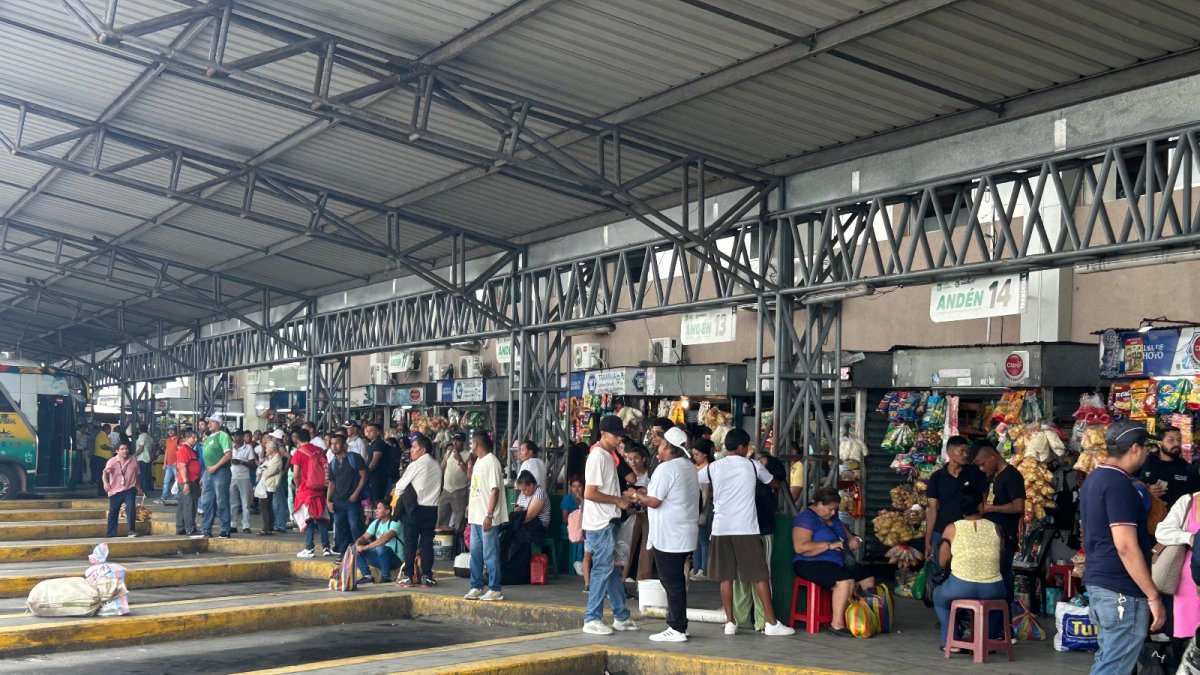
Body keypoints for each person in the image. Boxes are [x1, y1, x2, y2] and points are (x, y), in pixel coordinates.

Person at [1081, 420, 1165, 674]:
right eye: (1147, 447)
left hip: (1102, 585)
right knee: (1114, 667)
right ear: (1135, 448)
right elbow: (1126, 546)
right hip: (1121, 590)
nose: (1149, 453)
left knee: (1109, 660)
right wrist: (1153, 595)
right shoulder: (1119, 485)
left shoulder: (1094, 479)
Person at [699, 427, 794, 636]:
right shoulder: (752, 466)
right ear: (742, 447)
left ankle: (730, 622)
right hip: (746, 529)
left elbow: (696, 480)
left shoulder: (713, 467)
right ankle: (771, 623)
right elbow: (774, 483)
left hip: (720, 529)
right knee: (760, 576)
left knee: (726, 578)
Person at [633, 426, 699, 643]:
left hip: (670, 535)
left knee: (672, 582)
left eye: (661, 445)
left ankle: (677, 627)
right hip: (684, 533)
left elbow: (654, 501)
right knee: (676, 580)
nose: (658, 448)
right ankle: (680, 625)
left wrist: (634, 495)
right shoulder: (688, 467)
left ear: (670, 448)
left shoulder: (666, 468)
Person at [792, 486, 875, 637]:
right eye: (830, 509)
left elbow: (849, 536)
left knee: (867, 577)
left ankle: (864, 617)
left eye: (835, 509)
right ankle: (837, 624)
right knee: (845, 581)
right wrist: (828, 546)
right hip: (809, 562)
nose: (833, 513)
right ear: (819, 504)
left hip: (837, 561)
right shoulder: (805, 519)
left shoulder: (834, 519)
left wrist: (854, 540)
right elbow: (800, 547)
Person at [581, 415, 638, 636]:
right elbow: (590, 493)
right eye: (615, 435)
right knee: (603, 569)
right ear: (603, 434)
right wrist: (617, 501)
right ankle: (592, 618)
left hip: (608, 520)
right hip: (601, 522)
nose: (619, 439)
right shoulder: (598, 457)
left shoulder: (608, 455)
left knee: (613, 570)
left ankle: (621, 616)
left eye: (620, 435)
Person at [974, 443, 1025, 604]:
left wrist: (991, 508)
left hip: (1006, 536)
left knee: (1002, 578)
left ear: (992, 457)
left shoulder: (1012, 475)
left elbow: (1019, 506)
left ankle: (1004, 616)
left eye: (983, 464)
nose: (981, 468)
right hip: (992, 537)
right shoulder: (993, 476)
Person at [924, 436, 985, 567]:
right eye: (961, 451)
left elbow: (982, 503)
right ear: (950, 453)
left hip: (968, 532)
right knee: (940, 569)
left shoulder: (975, 474)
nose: (965, 455)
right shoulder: (937, 477)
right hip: (941, 531)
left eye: (966, 451)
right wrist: (928, 539)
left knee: (966, 568)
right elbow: (932, 509)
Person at [393, 434, 441, 587]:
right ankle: (427, 576)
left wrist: (402, 497)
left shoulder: (416, 465)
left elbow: (399, 487)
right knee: (427, 543)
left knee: (410, 543)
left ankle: (408, 575)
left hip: (415, 509)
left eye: (414, 447)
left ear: (423, 450)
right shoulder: (436, 466)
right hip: (431, 509)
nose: (411, 450)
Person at [465, 432, 508, 602]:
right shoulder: (478, 461)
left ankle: (495, 588)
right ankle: (476, 586)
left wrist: (489, 515)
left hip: (487, 517)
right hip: (476, 517)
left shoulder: (492, 462)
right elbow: (477, 487)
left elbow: (494, 490)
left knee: (490, 554)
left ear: (476, 443)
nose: (471, 446)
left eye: (472, 443)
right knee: (475, 554)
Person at [1155, 484, 1200, 642]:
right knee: (1187, 634)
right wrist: (1189, 538)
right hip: (1188, 578)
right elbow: (1162, 531)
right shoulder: (1188, 501)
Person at [500, 470, 552, 585]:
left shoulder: (539, 492)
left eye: (524, 489)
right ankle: (505, 570)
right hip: (524, 525)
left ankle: (517, 574)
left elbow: (531, 515)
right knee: (507, 535)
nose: (522, 493)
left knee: (516, 535)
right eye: (521, 490)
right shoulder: (523, 494)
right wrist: (518, 510)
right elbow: (520, 512)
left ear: (531, 485)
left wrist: (515, 522)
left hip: (538, 527)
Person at [292, 427, 332, 558]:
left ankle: (309, 548)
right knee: (321, 519)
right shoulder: (319, 450)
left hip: (306, 491)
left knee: (308, 519)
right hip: (320, 489)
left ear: (297, 439)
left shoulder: (298, 453)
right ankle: (326, 548)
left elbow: (296, 474)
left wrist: (297, 487)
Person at [326, 433, 367, 555]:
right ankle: (344, 554)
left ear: (345, 446)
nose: (334, 446)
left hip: (352, 500)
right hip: (338, 500)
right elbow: (332, 484)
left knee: (355, 526)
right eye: (332, 444)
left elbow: (364, 477)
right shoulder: (332, 463)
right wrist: (328, 500)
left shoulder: (354, 458)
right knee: (340, 527)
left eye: (337, 443)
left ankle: (360, 552)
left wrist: (356, 493)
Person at [1142, 426, 1200, 509]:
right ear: (1160, 443)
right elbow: (1129, 487)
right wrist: (1146, 491)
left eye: (1179, 440)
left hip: (1177, 516)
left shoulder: (1189, 470)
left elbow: (1196, 500)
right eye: (1171, 440)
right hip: (1148, 514)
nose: (1176, 444)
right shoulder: (1144, 462)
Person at [622, 441, 655, 581]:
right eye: (630, 459)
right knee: (627, 546)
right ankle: (622, 578)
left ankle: (643, 580)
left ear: (643, 459)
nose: (633, 462)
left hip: (648, 515)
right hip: (632, 515)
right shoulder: (627, 476)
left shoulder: (651, 475)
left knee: (647, 547)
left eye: (636, 458)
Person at [199, 414, 233, 539]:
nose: (209, 424)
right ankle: (206, 528)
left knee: (221, 500)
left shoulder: (223, 436)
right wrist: (205, 475)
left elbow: (228, 455)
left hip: (221, 472)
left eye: (212, 422)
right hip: (208, 473)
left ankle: (225, 529)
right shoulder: (208, 438)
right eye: (209, 422)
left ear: (219, 424)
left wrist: (215, 467)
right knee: (207, 501)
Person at [356, 501, 403, 583]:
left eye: (379, 508)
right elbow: (363, 537)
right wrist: (358, 544)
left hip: (395, 560)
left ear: (387, 511)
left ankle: (386, 577)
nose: (376, 510)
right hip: (380, 558)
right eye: (376, 508)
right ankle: (367, 576)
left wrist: (366, 547)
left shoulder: (395, 522)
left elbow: (386, 538)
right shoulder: (376, 522)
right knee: (353, 548)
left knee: (381, 548)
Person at [103, 443, 141, 538]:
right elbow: (105, 473)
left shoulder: (133, 460)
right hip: (115, 490)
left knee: (130, 507)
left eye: (126, 449)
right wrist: (106, 483)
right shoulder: (112, 461)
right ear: (117, 451)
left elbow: (137, 474)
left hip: (129, 488)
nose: (125, 451)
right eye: (122, 449)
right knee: (113, 511)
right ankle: (111, 533)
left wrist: (138, 487)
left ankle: (131, 530)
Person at [691, 438, 715, 581]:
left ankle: (704, 569)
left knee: (704, 539)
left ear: (705, 454)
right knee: (696, 539)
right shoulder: (693, 468)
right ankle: (696, 567)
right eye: (693, 454)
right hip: (694, 506)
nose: (694, 457)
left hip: (706, 506)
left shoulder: (711, 468)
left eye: (697, 454)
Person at [439, 432, 471, 530]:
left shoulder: (468, 455)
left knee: (459, 520)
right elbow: (441, 469)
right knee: (441, 517)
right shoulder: (448, 453)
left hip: (460, 491)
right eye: (454, 440)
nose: (455, 442)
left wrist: (459, 459)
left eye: (458, 441)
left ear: (463, 443)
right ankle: (441, 536)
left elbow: (469, 473)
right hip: (446, 490)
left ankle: (458, 538)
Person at [254, 438, 284, 535]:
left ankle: (266, 528)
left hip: (269, 484)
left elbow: (268, 472)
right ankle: (269, 527)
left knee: (265, 507)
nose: (266, 450)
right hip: (267, 484)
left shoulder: (277, 459)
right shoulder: (271, 459)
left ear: (271, 448)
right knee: (267, 506)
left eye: (267, 448)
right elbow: (262, 469)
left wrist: (263, 470)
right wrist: (263, 469)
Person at [229, 431, 257, 534]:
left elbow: (252, 464)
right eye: (234, 436)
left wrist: (240, 462)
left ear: (241, 437)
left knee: (245, 503)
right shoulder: (230, 447)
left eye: (237, 436)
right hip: (232, 477)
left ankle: (246, 525)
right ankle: (233, 524)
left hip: (244, 478)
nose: (235, 438)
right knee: (233, 503)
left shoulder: (248, 448)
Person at [176, 431, 202, 536]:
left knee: (183, 504)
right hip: (188, 481)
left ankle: (181, 528)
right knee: (189, 505)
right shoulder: (184, 449)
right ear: (187, 438)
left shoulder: (191, 449)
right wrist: (186, 482)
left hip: (192, 480)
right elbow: (182, 466)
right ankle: (190, 528)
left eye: (196, 437)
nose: (196, 439)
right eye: (193, 437)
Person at [268, 429, 291, 533]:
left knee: (278, 501)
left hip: (279, 476)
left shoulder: (280, 447)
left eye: (273, 437)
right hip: (280, 476)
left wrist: (284, 470)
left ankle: (280, 524)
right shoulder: (281, 446)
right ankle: (279, 524)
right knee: (278, 501)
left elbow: (289, 457)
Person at [364, 423, 391, 506]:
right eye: (367, 431)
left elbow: (374, 462)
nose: (368, 433)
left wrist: (366, 473)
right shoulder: (371, 444)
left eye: (371, 431)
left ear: (378, 432)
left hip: (378, 477)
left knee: (377, 501)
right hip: (373, 477)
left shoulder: (379, 443)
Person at [158, 426, 179, 504]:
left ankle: (177, 496)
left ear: (175, 431)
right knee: (166, 481)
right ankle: (164, 496)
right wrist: (164, 463)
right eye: (169, 430)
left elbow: (180, 451)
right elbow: (166, 452)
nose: (170, 432)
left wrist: (178, 462)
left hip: (176, 465)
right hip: (169, 464)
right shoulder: (167, 440)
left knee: (177, 481)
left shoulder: (178, 440)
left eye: (172, 430)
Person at [92, 423, 114, 497]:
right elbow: (102, 445)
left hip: (105, 458)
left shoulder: (105, 435)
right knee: (102, 475)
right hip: (101, 458)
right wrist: (111, 448)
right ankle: (101, 491)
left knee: (105, 475)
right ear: (108, 429)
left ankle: (104, 491)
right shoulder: (101, 435)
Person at [134, 424, 154, 493]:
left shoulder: (142, 437)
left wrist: (134, 455)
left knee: (142, 475)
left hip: (142, 458)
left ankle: (143, 491)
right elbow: (153, 449)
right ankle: (147, 490)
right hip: (148, 458)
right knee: (147, 475)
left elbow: (141, 448)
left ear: (139, 430)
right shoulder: (150, 438)